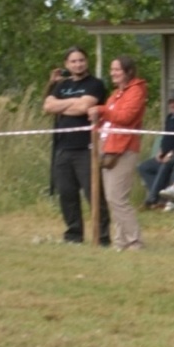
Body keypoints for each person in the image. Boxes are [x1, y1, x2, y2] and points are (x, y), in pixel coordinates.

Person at [42, 47, 108, 245]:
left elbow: (84, 107)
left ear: (86, 62)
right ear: (67, 64)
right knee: (66, 194)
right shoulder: (62, 85)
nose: (78, 64)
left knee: (93, 194)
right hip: (63, 148)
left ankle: (102, 237)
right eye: (73, 61)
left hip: (86, 147)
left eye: (81, 60)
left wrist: (62, 106)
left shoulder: (95, 84)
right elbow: (48, 107)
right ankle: (73, 235)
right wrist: (73, 101)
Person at [87, 56, 148, 252]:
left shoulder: (136, 91)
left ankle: (134, 240)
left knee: (117, 198)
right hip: (109, 147)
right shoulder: (116, 94)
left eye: (117, 70)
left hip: (125, 148)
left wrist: (101, 110)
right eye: (112, 69)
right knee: (112, 198)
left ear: (128, 71)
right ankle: (120, 242)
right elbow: (109, 118)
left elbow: (126, 117)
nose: (112, 73)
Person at [138, 88, 174, 208]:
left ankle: (152, 199)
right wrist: (160, 150)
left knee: (166, 164)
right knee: (144, 167)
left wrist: (172, 153)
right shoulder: (169, 117)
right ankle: (161, 199)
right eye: (171, 102)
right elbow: (166, 136)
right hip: (166, 153)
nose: (173, 105)